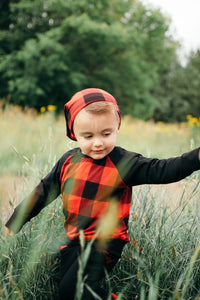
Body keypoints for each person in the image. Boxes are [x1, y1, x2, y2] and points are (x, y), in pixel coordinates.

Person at [5, 88, 200, 300]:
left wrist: (195, 157)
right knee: (68, 290)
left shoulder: (125, 163)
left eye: (106, 134)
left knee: (74, 288)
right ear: (73, 133)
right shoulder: (68, 161)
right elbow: (43, 191)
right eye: (88, 136)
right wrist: (18, 218)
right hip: (72, 239)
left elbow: (163, 169)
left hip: (104, 242)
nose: (98, 142)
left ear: (117, 127)